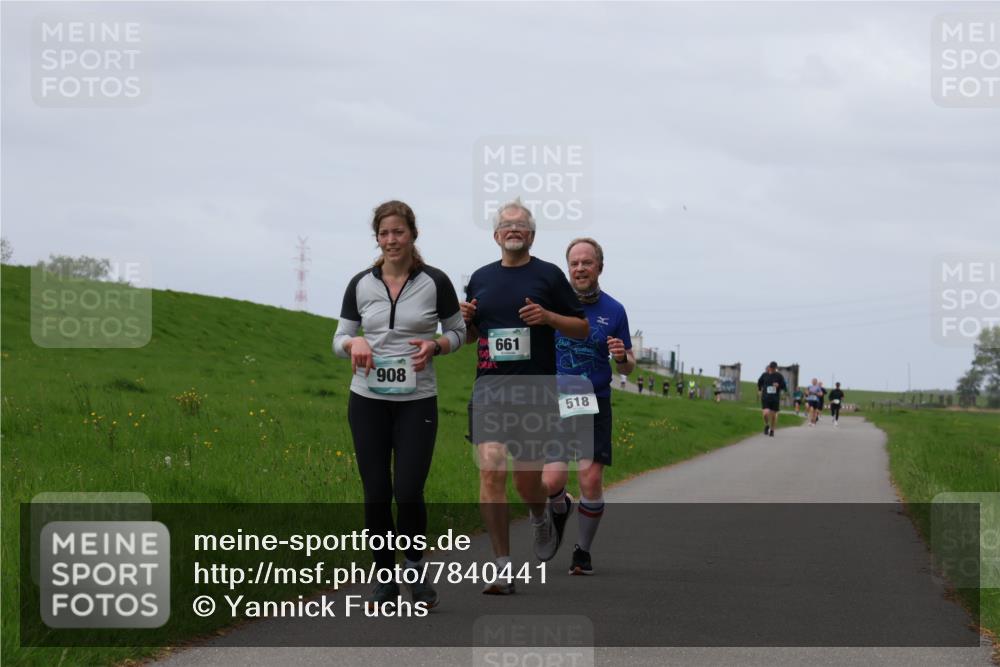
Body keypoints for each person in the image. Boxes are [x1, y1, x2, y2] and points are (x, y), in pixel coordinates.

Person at [333, 200, 466, 609]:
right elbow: (339, 339)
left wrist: (437, 345)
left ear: (413, 235)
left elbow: (458, 331)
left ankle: (415, 570)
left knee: (408, 491)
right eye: (384, 233)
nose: (392, 240)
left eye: (399, 232)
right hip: (368, 399)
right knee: (376, 492)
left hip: (417, 400)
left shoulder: (435, 281)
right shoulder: (360, 284)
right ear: (377, 238)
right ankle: (385, 579)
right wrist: (353, 342)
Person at [461, 199, 589, 594]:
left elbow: (581, 328)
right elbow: (471, 338)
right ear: (496, 235)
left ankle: (541, 515)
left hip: (535, 390)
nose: (513, 229)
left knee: (526, 483)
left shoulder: (548, 276)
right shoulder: (480, 278)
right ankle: (502, 568)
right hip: (490, 389)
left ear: (531, 235)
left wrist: (549, 318)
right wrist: (465, 322)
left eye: (520, 225)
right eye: (506, 225)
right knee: (491, 470)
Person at [543, 237, 635, 575]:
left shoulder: (614, 310)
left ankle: (582, 551)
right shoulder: (552, 305)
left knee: (590, 478)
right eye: (574, 263)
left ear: (599, 267)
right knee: (551, 482)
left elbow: (627, 367)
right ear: (568, 268)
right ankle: (561, 505)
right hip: (555, 399)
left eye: (587, 262)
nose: (580, 268)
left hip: (594, 400)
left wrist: (623, 357)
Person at [756, 361, 787, 436]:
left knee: (773, 415)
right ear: (769, 367)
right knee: (765, 414)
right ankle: (767, 425)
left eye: (774, 368)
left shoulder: (779, 376)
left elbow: (784, 386)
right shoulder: (764, 375)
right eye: (771, 368)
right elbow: (759, 383)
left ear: (776, 368)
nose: (772, 369)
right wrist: (759, 390)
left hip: (775, 398)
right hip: (765, 397)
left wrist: (778, 385)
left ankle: (772, 430)